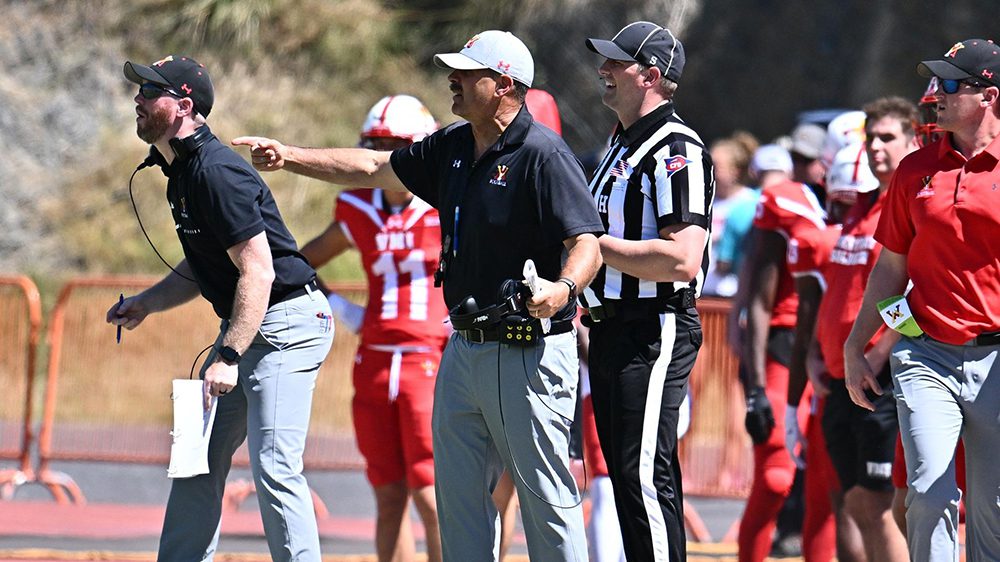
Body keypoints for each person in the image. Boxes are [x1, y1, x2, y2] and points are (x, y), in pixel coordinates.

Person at [234, 29, 603, 562]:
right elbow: (371, 168)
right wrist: (288, 156)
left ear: (502, 84)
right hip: (462, 349)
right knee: (457, 504)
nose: (451, 80)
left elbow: (585, 241)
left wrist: (563, 287)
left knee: (545, 500)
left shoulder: (543, 152)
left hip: (530, 348)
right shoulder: (453, 144)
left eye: (465, 73)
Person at [108, 55, 333, 562]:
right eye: (139, 90)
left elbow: (258, 271)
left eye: (150, 91)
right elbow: (200, 265)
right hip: (249, 325)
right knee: (195, 462)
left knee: (275, 467)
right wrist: (147, 303)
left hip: (287, 325)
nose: (137, 100)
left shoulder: (216, 172)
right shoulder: (181, 173)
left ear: (184, 105)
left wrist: (228, 355)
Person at [844, 38, 1000, 562]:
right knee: (929, 494)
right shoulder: (916, 172)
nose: (938, 95)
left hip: (997, 357)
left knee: (991, 510)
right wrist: (855, 346)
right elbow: (891, 267)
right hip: (926, 353)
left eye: (953, 85)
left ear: (989, 96)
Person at [582, 21, 713, 562]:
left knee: (641, 478)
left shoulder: (675, 147)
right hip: (613, 327)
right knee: (626, 480)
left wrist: (589, 247)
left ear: (651, 76)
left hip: (653, 325)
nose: (603, 71)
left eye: (617, 63)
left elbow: (682, 258)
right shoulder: (620, 143)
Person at [298, 94, 445, 562]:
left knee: (433, 493)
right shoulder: (357, 208)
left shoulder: (447, 204)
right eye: (376, 145)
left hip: (432, 358)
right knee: (387, 495)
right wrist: (343, 308)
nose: (384, 156)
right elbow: (300, 263)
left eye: (395, 145)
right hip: (376, 360)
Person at [785, 142, 883, 562]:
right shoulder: (844, 232)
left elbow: (911, 294)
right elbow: (832, 303)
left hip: (880, 375)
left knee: (877, 505)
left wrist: (884, 351)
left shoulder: (887, 222)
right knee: (852, 500)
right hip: (840, 375)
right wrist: (813, 353)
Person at [737, 141, 830, 562]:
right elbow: (759, 295)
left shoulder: (887, 202)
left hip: (845, 355)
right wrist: (756, 384)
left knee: (834, 488)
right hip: (785, 346)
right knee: (776, 476)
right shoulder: (785, 202)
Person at [704, 132, 759, 297]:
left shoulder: (751, 202)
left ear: (735, 171)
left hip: (731, 293)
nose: (710, 172)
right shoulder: (702, 201)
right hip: (702, 291)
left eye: (716, 167)